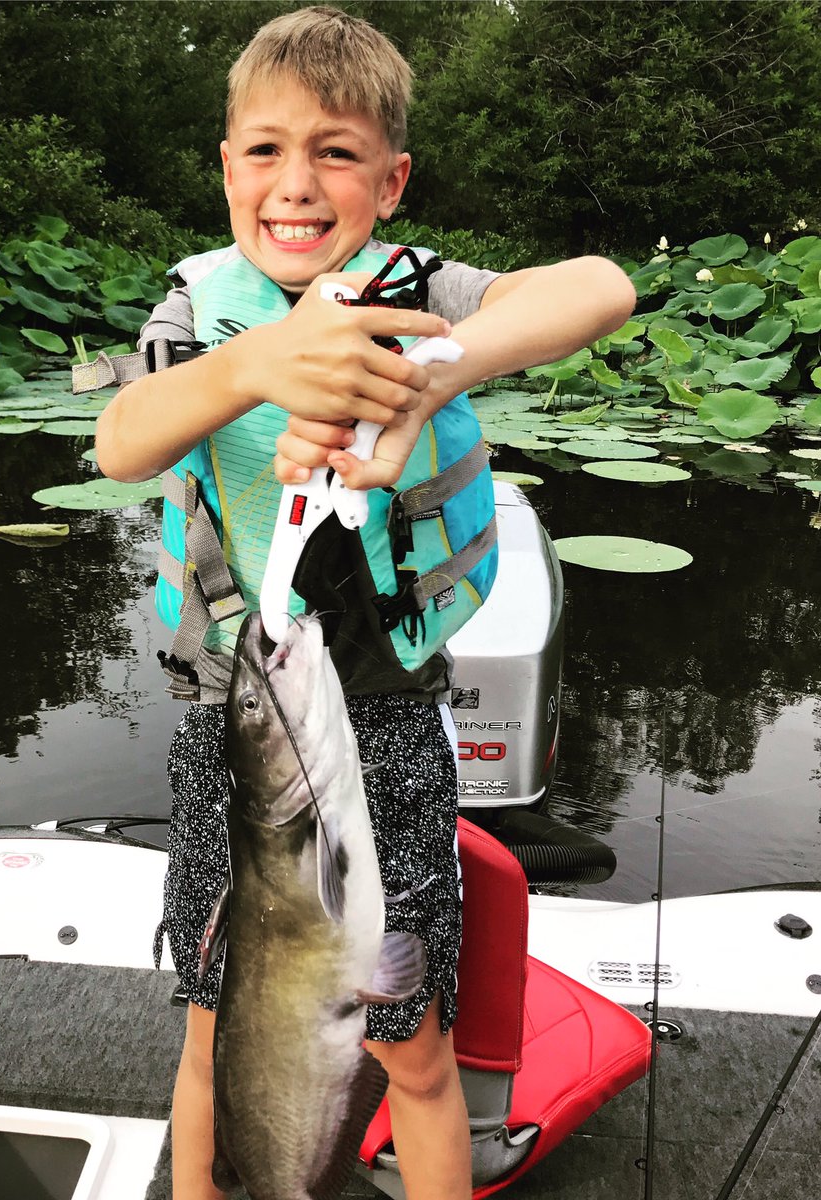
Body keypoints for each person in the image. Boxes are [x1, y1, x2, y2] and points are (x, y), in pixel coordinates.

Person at [94, 8, 636, 1199]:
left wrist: (431, 372)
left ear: (390, 181)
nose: (296, 183)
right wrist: (256, 364)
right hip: (230, 727)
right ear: (227, 169)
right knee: (216, 1028)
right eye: (266, 150)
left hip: (388, 720)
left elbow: (601, 287)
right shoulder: (196, 313)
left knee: (414, 1050)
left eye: (335, 153)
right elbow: (122, 439)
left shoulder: (421, 289)